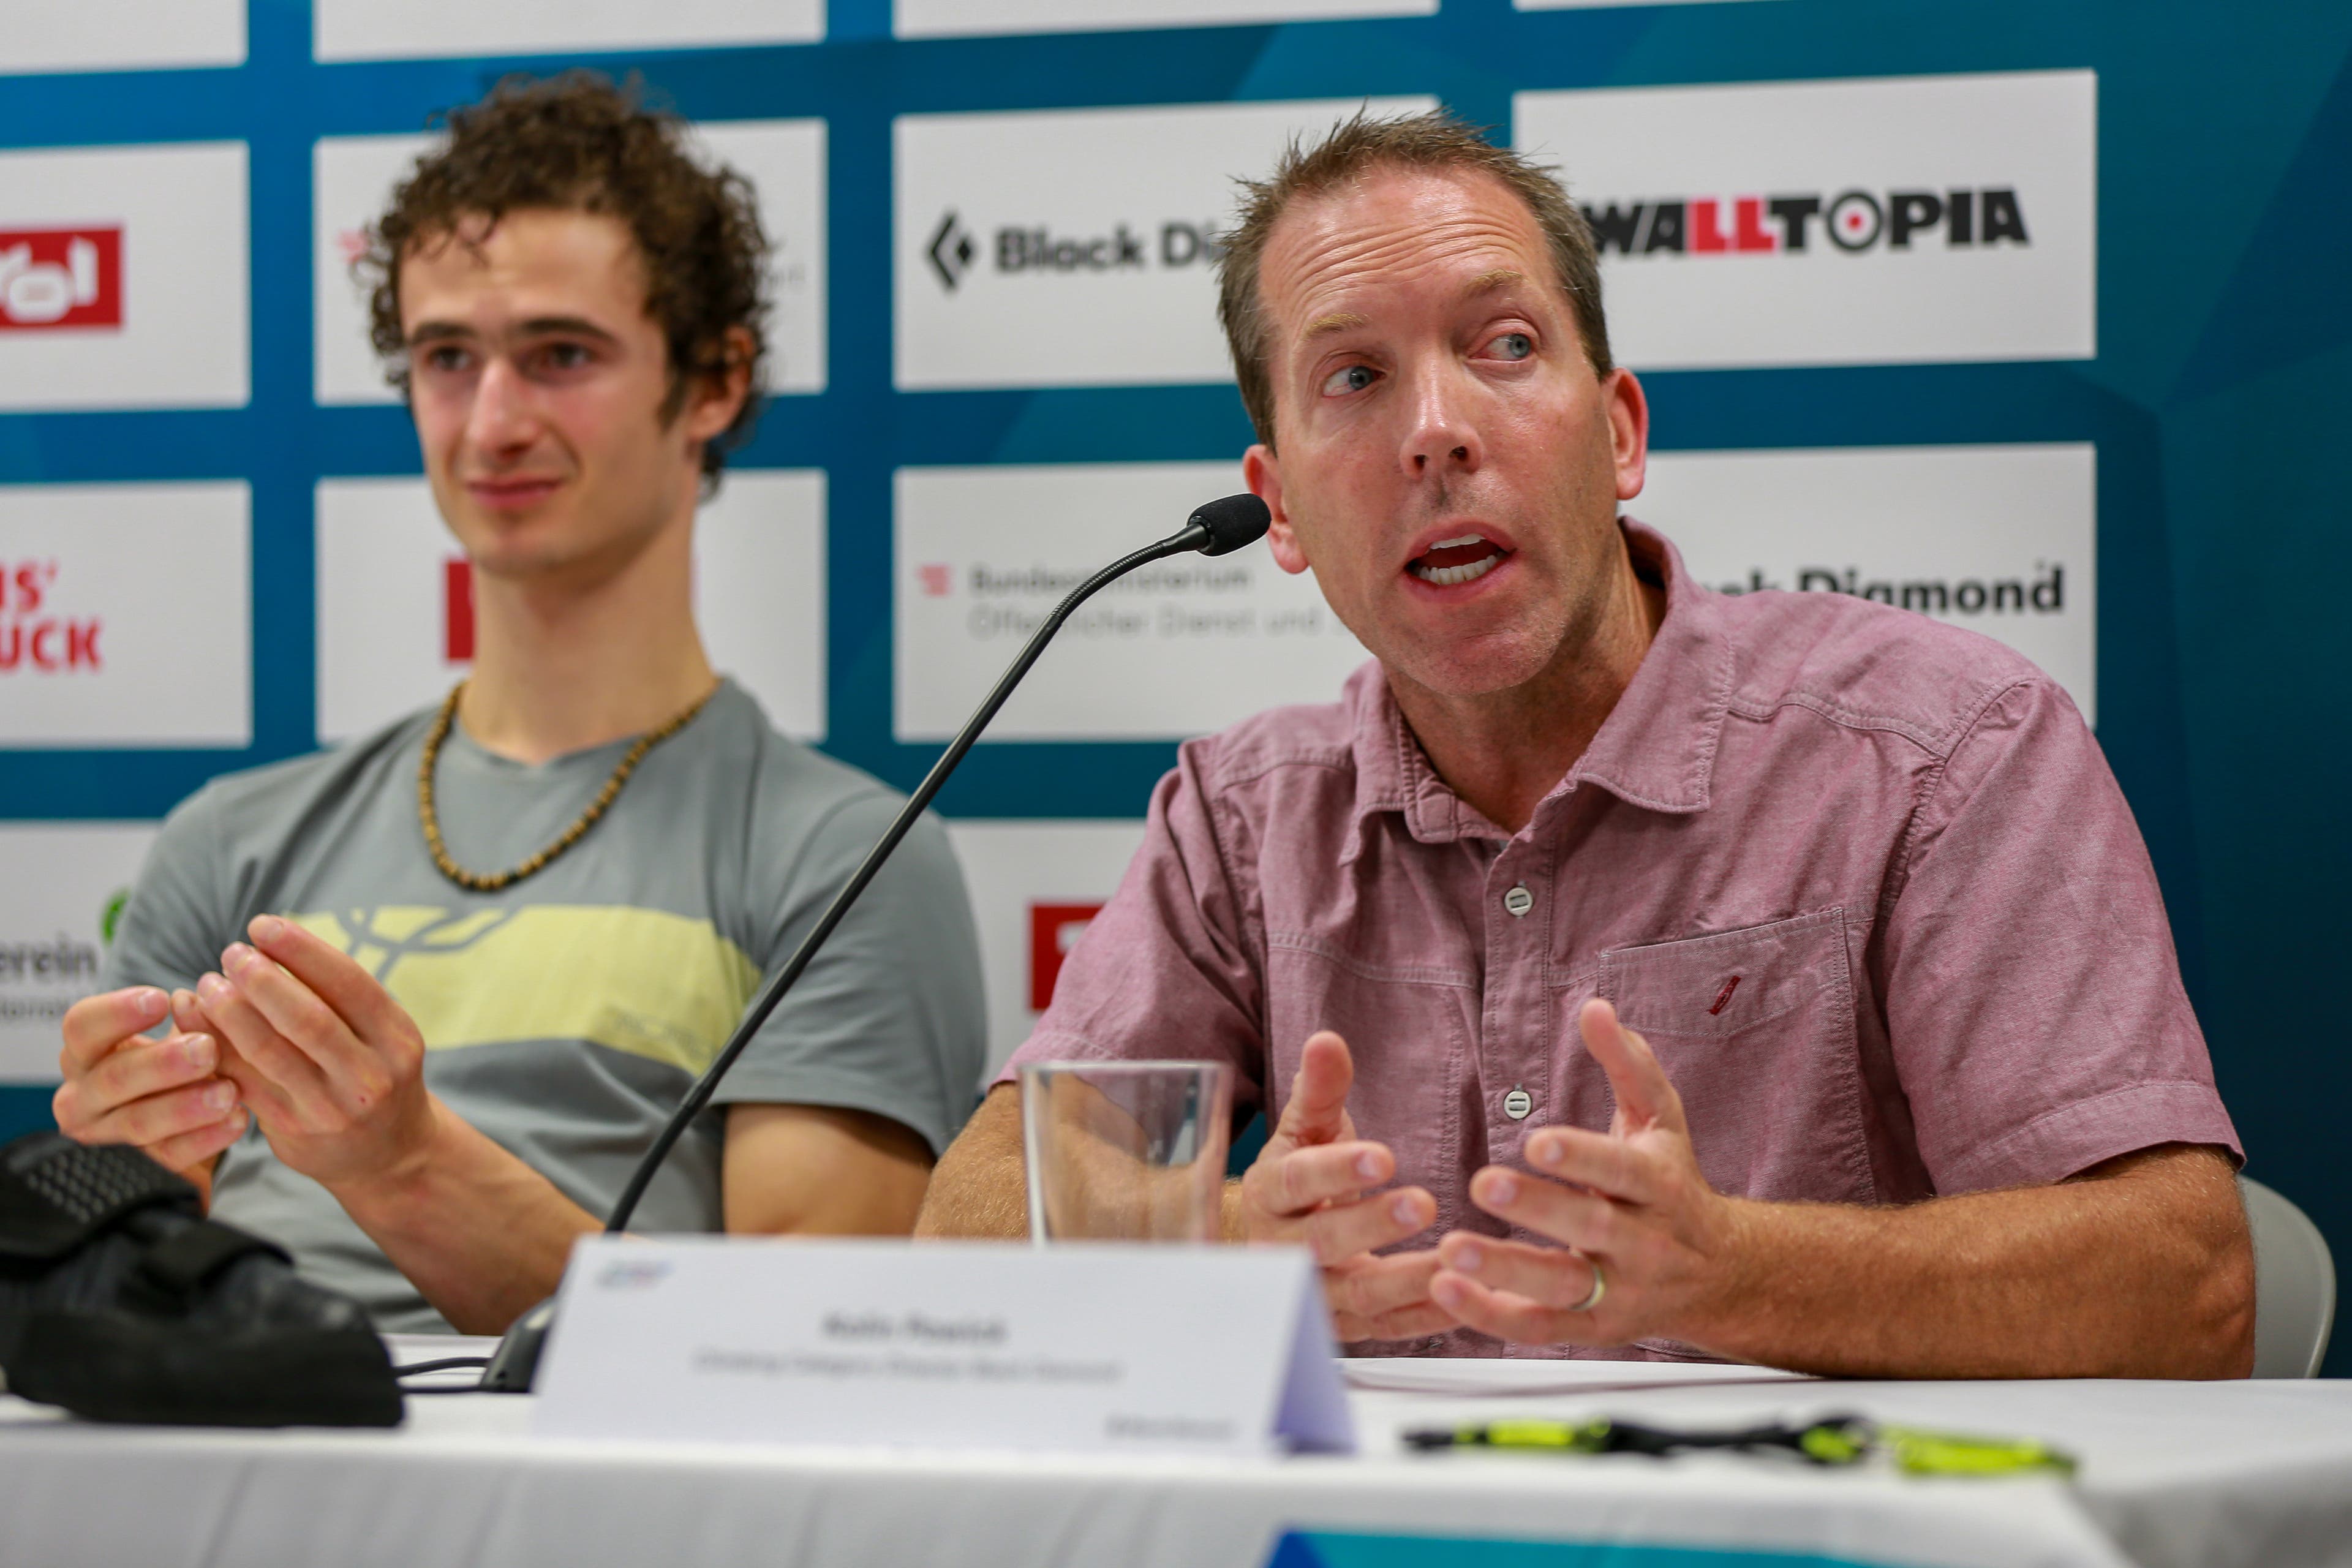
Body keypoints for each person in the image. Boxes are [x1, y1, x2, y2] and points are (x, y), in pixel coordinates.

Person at [917, 111, 2254, 1378]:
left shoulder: (1938, 749)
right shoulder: (1245, 814)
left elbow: (2184, 1288)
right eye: (1355, 376)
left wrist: (1735, 1269)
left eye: (1502, 346)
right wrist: (1207, 1253)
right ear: (1279, 508)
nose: (1436, 429)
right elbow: (972, 1211)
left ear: (1617, 431)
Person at [51, 74, 986, 1336]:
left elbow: (796, 1351)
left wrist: (403, 1161)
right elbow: (112, 1310)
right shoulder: (229, 840)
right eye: (448, 358)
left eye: (560, 355)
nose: (494, 422)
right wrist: (122, 1204)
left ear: (712, 381)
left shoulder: (850, 856)